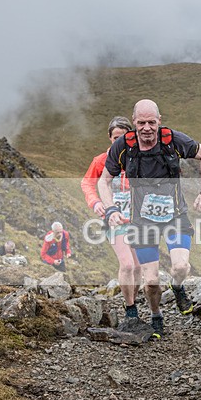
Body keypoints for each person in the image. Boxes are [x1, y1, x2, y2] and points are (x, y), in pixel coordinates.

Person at [98, 99, 201, 339]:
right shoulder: (124, 146)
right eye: (141, 122)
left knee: (181, 266)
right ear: (135, 123)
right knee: (150, 281)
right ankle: (156, 314)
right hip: (143, 222)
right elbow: (103, 180)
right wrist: (110, 209)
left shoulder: (172, 140)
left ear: (159, 121)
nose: (147, 128)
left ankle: (178, 286)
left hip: (175, 216)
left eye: (152, 122)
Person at [82, 116, 142, 321]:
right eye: (115, 137)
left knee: (138, 266)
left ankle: (133, 300)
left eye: (123, 137)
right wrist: (97, 203)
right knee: (126, 265)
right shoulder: (101, 160)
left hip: (137, 220)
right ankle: (130, 309)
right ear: (110, 138)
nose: (119, 141)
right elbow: (87, 184)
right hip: (113, 219)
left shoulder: (139, 157)